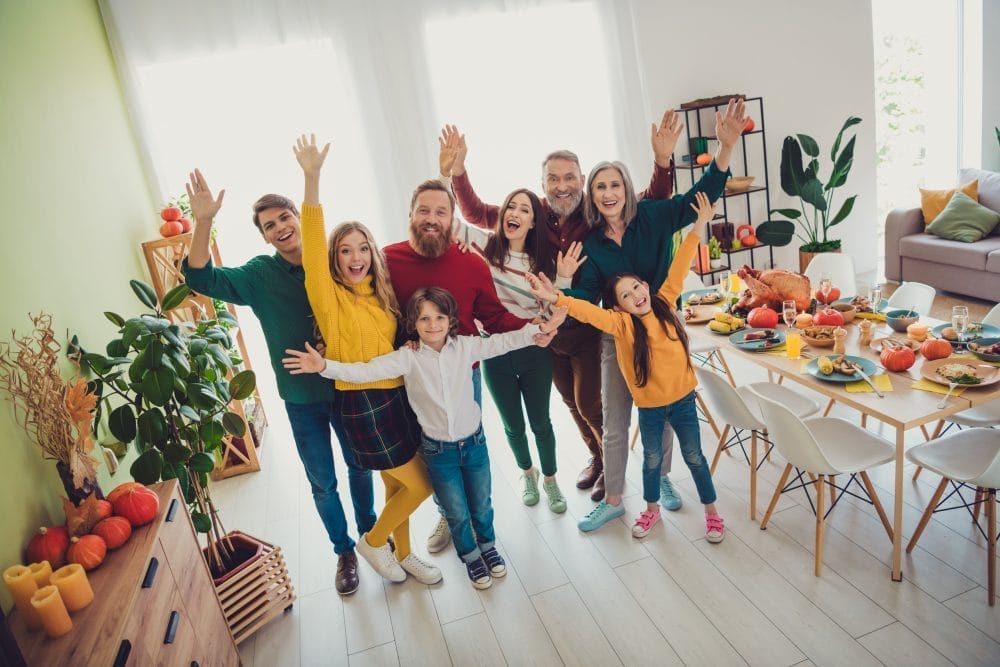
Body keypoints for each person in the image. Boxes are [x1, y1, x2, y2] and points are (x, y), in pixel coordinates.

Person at [443, 114, 679, 501]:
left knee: (590, 403)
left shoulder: (597, 209)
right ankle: (597, 458)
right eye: (554, 179)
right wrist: (459, 171)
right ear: (543, 185)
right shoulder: (532, 210)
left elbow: (650, 199)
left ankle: (611, 464)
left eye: (569, 178)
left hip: (586, 327)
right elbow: (477, 214)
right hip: (545, 333)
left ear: (581, 180)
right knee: (570, 402)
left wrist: (662, 161)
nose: (562, 186)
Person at [283, 288, 566, 588]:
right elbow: (367, 371)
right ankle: (470, 556)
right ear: (413, 323)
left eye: (440, 317)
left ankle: (488, 547)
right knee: (456, 511)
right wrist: (324, 367)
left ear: (451, 320)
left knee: (481, 504)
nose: (433, 325)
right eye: (425, 319)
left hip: (474, 445)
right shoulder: (409, 356)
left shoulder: (467, 347)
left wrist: (539, 329)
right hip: (438, 451)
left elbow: (504, 341)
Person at [181, 170, 376, 596]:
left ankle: (372, 536)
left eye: (285, 216)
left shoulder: (335, 259)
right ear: (266, 238)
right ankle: (344, 551)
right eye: (270, 225)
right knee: (322, 481)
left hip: (347, 386)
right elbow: (200, 280)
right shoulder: (259, 275)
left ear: (298, 218)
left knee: (360, 465)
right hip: (301, 399)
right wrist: (204, 222)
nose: (281, 227)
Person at [558, 98, 747, 532]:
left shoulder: (655, 215)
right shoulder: (590, 243)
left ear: (627, 188)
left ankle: (660, 479)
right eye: (599, 187)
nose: (608, 194)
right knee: (616, 420)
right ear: (592, 195)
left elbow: (704, 195)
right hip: (618, 334)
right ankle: (614, 498)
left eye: (614, 185)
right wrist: (565, 284)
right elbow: (587, 300)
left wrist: (725, 148)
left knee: (662, 410)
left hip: (664, 329)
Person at [528, 192, 725, 542]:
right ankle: (651, 512)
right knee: (650, 460)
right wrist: (555, 297)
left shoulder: (664, 302)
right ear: (618, 308)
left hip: (682, 402)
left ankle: (712, 514)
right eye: (625, 295)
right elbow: (587, 311)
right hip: (650, 408)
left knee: (694, 457)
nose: (635, 295)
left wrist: (699, 226)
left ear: (646, 286)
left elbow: (679, 264)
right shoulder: (621, 325)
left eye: (637, 287)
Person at [293, 134, 438, 585]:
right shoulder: (329, 298)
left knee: (397, 486)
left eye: (361, 248)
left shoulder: (382, 296)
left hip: (397, 399)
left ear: (371, 253)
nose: (355, 257)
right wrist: (312, 179)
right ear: (335, 259)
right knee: (422, 485)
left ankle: (406, 553)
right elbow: (313, 250)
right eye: (344, 250)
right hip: (362, 405)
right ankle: (374, 543)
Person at [383, 179, 556, 552]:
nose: (432, 219)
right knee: (431, 453)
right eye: (424, 211)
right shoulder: (386, 261)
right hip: (410, 377)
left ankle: (480, 524)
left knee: (469, 450)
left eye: (441, 212)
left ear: (452, 220)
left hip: (465, 374)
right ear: (410, 214)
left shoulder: (470, 263)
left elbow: (495, 319)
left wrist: (533, 330)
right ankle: (448, 513)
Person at [451, 175, 566, 513]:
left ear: (533, 222)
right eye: (510, 207)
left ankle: (551, 480)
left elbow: (553, 308)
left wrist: (551, 324)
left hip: (533, 352)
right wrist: (452, 170)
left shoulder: (541, 265)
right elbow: (449, 221)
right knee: (512, 426)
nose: (514, 212)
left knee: (541, 422)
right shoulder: (485, 247)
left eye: (524, 209)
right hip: (494, 352)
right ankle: (527, 475)